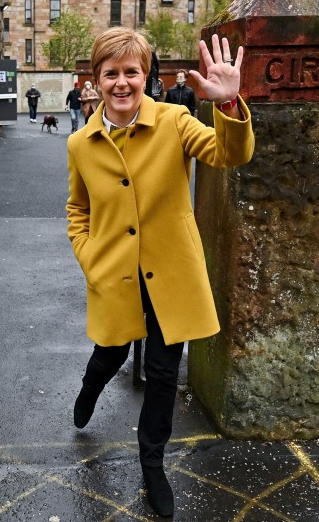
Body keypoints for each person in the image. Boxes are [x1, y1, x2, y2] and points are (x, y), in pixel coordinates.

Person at [66, 28, 254, 517]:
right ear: (96, 79)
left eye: (132, 71)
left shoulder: (174, 119)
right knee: (109, 354)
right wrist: (88, 255)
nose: (122, 83)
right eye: (112, 73)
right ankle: (89, 389)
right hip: (114, 272)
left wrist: (228, 106)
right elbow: (77, 209)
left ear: (147, 76)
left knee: (164, 373)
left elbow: (228, 154)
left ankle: (153, 463)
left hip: (170, 272)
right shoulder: (80, 144)